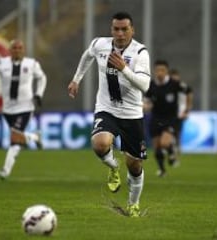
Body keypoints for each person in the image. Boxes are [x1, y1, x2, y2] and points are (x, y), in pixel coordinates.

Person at [67, 12, 150, 217]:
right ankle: (113, 167)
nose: (120, 34)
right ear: (111, 29)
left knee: (134, 165)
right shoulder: (100, 44)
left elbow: (145, 85)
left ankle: (133, 203)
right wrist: (77, 79)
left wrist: (124, 69)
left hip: (131, 114)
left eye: (124, 29)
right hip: (107, 109)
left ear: (132, 30)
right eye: (116, 29)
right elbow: (87, 55)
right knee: (100, 144)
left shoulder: (140, 52)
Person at [0, 39, 47, 179]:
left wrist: (39, 94)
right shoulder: (1, 63)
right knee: (18, 138)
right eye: (14, 48)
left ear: (23, 50)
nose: (17, 50)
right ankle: (35, 136)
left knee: (15, 138)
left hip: (25, 107)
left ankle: (5, 171)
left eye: (20, 48)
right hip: (8, 109)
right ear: (10, 50)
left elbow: (42, 78)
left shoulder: (32, 64)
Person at [145, 60, 191, 177]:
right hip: (156, 118)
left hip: (171, 119)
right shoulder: (150, 85)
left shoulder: (175, 84)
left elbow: (189, 91)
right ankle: (162, 170)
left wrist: (187, 110)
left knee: (164, 143)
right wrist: (145, 106)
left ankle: (170, 149)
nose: (160, 73)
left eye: (163, 70)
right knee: (157, 148)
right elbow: (147, 102)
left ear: (167, 71)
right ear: (154, 71)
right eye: (157, 70)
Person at [169, 68, 193, 157]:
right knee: (169, 132)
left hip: (179, 113)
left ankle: (177, 150)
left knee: (177, 132)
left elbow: (189, 94)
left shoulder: (182, 86)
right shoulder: (168, 86)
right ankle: (171, 149)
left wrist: (187, 110)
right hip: (169, 113)